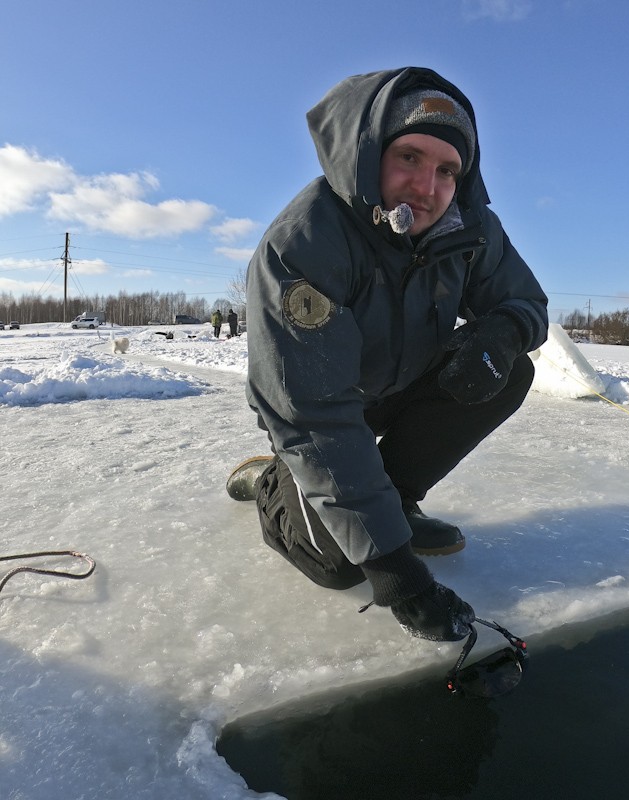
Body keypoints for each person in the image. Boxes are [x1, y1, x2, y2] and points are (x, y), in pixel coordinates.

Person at [229, 67, 548, 643]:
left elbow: (524, 300)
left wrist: (499, 335)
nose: (427, 188)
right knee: (339, 566)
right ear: (368, 152)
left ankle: (395, 499)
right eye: (408, 157)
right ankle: (272, 485)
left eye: (448, 170)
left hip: (402, 382)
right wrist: (397, 574)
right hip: (327, 410)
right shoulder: (305, 243)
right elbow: (312, 413)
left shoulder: (470, 227)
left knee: (509, 372)